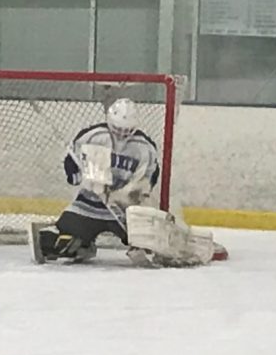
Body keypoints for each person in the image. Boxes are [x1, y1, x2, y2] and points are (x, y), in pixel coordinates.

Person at [30, 98, 226, 267]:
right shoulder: (93, 136)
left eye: (127, 130)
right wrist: (82, 178)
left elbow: (148, 180)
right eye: (117, 129)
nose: (121, 135)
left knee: (150, 246)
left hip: (124, 212)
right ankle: (82, 246)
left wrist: (124, 195)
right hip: (88, 206)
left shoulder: (144, 147)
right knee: (57, 243)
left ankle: (181, 243)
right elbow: (71, 166)